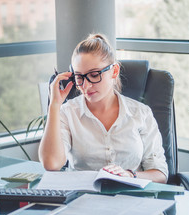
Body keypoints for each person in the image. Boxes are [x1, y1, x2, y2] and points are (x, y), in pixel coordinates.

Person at [38, 33, 168, 183]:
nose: (86, 86)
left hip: (131, 197)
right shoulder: (67, 113)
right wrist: (54, 105)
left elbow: (160, 174)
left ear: (114, 71)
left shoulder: (141, 113)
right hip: (83, 198)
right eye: (79, 77)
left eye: (94, 75)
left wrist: (130, 175)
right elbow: (51, 163)